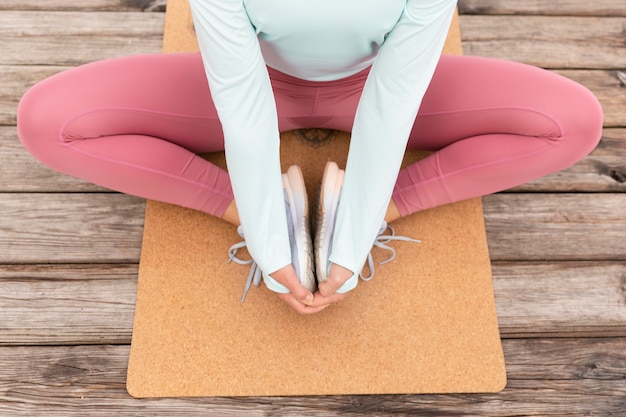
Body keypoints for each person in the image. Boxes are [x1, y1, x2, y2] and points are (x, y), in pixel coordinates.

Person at [17, 0, 603, 315]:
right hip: (255, 83)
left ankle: (385, 205)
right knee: (47, 120)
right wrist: (267, 237)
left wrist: (356, 236)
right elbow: (244, 110)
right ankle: (242, 206)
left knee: (573, 121)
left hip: (375, 85)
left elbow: (390, 109)